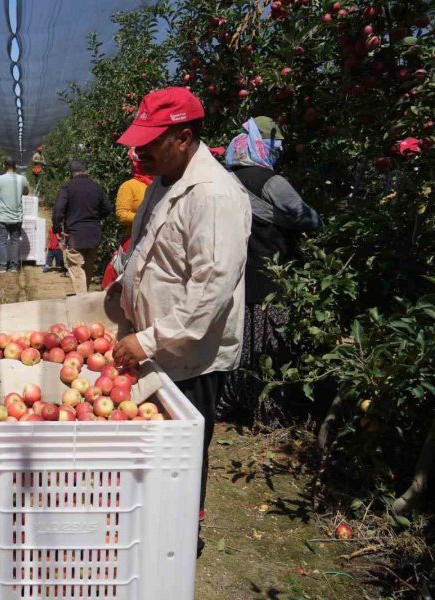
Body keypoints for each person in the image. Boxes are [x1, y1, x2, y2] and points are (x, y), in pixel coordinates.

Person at [111, 87, 251, 555]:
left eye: (149, 142)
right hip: (155, 345)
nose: (139, 152)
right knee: (151, 448)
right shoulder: (163, 181)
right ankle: (147, 529)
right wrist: (122, 288)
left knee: (180, 457)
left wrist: (151, 339)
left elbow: (211, 290)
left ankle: (176, 543)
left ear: (184, 138)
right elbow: (151, 251)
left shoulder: (213, 195)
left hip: (190, 354)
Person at [219, 116, 321, 421]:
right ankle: (267, 411)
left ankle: (233, 401)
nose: (279, 151)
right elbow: (308, 218)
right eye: (276, 145)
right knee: (269, 346)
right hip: (270, 276)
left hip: (235, 277)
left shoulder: (224, 179)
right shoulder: (271, 182)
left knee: (240, 343)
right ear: (262, 145)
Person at [51, 160, 112, 295]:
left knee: (76, 268)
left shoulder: (67, 187)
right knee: (88, 267)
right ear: (86, 171)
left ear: (71, 173)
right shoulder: (96, 187)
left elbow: (58, 209)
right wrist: (96, 218)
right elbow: (108, 208)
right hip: (94, 233)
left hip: (75, 234)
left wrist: (57, 228)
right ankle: (84, 296)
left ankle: (82, 299)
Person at [0, 156, 30, 273]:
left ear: (4, 166)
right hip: (16, 216)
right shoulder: (22, 178)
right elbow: (26, 192)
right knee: (15, 241)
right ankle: (14, 266)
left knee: (1, 241)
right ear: (15, 166)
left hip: (3, 216)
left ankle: (3, 266)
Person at [115, 147, 153, 238]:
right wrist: (146, 218)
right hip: (136, 238)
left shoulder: (160, 183)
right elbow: (122, 215)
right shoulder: (129, 186)